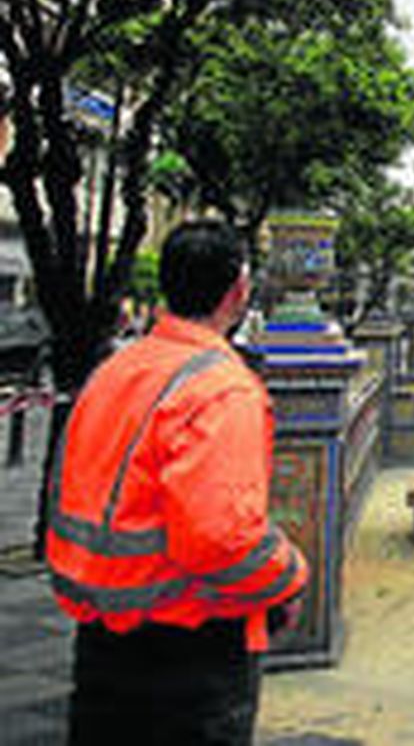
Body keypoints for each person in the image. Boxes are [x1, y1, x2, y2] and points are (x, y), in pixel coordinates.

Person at [46, 219, 308, 745]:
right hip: (189, 649)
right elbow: (219, 540)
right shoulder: (221, 389)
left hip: (101, 634)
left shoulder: (117, 369)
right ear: (239, 290)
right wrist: (290, 575)